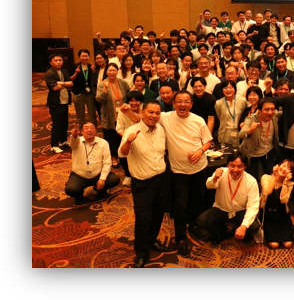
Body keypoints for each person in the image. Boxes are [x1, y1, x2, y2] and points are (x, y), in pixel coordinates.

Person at [159, 90, 213, 256]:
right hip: (179, 171)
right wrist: (127, 111)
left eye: (186, 101)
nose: (183, 104)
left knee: (198, 201)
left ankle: (194, 226)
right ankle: (180, 237)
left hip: (199, 168)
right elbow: (145, 116)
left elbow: (208, 141)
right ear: (174, 104)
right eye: (179, 101)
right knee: (181, 205)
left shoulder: (198, 120)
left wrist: (199, 151)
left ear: (191, 104)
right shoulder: (166, 117)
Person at [118, 100, 168, 268]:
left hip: (161, 179)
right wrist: (128, 142)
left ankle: (152, 240)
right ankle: (141, 252)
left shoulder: (161, 129)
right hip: (142, 183)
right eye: (150, 112)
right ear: (142, 112)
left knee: (158, 214)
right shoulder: (132, 131)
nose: (154, 116)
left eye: (157, 113)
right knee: (143, 218)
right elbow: (122, 153)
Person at [193, 152, 261, 244]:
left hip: (239, 211)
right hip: (221, 209)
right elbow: (209, 185)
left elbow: (253, 207)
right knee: (201, 222)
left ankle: (234, 230)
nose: (235, 170)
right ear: (227, 165)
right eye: (232, 166)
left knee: (253, 227)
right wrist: (215, 178)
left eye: (240, 166)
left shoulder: (251, 181)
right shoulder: (221, 172)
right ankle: (224, 230)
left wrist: (243, 227)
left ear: (245, 167)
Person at [65, 120, 121, 204]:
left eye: (92, 128)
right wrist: (74, 136)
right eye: (86, 128)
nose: (89, 130)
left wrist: (102, 179)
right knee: (71, 189)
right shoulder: (77, 142)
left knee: (114, 180)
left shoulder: (103, 143)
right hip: (80, 175)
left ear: (96, 131)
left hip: (97, 174)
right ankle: (79, 196)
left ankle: (99, 189)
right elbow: (73, 143)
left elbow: (107, 162)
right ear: (82, 131)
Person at [96, 62, 130, 169]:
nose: (112, 72)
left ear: (117, 71)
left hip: (123, 115)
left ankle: (122, 156)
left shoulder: (123, 83)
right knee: (111, 138)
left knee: (122, 136)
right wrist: (105, 90)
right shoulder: (102, 84)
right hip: (109, 115)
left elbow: (128, 97)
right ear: (106, 72)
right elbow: (99, 100)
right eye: (109, 70)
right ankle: (113, 157)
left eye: (114, 70)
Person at [238, 97, 281, 182]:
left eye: (272, 109)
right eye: (266, 109)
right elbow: (241, 134)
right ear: (259, 110)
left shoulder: (275, 116)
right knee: (253, 179)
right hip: (253, 153)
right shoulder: (251, 119)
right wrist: (250, 130)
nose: (270, 112)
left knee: (270, 177)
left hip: (268, 151)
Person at [260, 159, 294, 249]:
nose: (284, 169)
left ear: (291, 173)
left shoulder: (290, 183)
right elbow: (268, 191)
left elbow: (283, 200)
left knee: (288, 244)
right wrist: (274, 174)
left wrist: (285, 183)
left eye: (288, 168)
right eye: (283, 165)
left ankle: (289, 225)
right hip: (268, 215)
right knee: (274, 245)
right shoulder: (266, 177)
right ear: (278, 165)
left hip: (282, 215)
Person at [45, 53, 73, 153]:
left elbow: (71, 83)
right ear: (51, 62)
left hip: (65, 100)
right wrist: (65, 84)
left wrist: (61, 83)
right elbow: (55, 88)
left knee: (64, 122)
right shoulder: (49, 73)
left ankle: (63, 140)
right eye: (56, 60)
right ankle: (54, 145)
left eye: (60, 60)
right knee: (57, 124)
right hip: (55, 102)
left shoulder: (64, 71)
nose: (58, 62)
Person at [215, 79, 246, 150]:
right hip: (225, 132)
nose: (228, 90)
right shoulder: (218, 103)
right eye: (225, 88)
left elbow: (244, 115)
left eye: (230, 87)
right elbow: (219, 117)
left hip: (239, 131)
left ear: (235, 89)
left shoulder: (242, 100)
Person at [71, 48, 97, 128]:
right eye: (82, 56)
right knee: (80, 114)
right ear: (79, 57)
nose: (84, 58)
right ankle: (81, 129)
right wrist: (76, 72)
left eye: (86, 56)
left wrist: (93, 71)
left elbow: (95, 79)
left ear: (89, 57)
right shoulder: (75, 66)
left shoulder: (91, 66)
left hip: (90, 93)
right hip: (78, 93)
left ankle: (93, 128)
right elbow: (70, 79)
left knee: (92, 113)